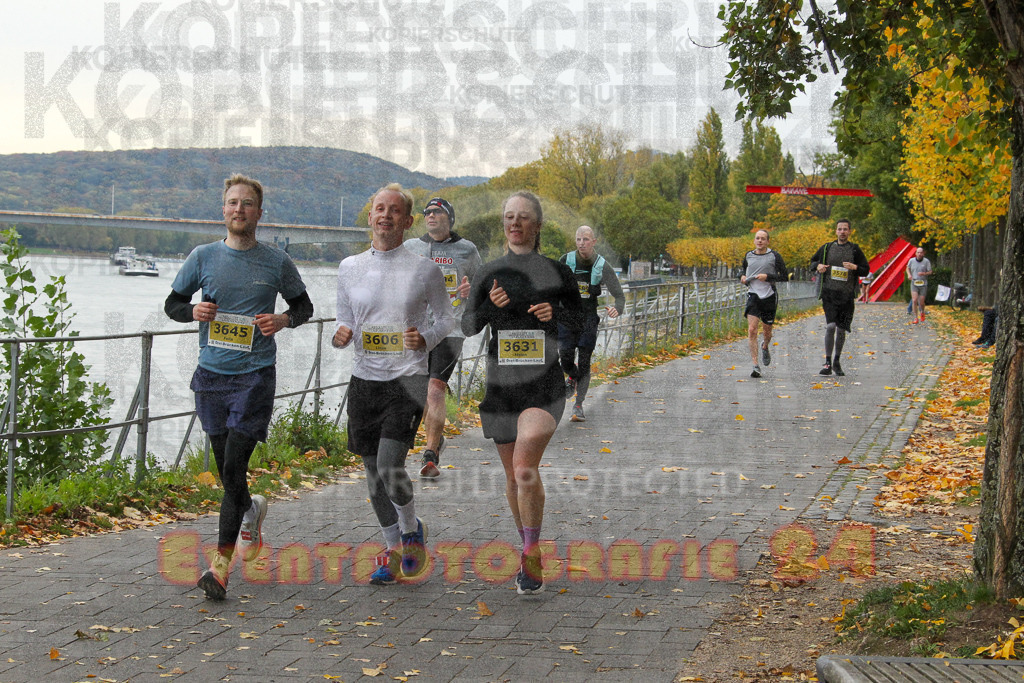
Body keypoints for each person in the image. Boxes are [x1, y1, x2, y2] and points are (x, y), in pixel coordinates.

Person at [164, 174, 313, 600]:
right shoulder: (203, 256)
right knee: (227, 472)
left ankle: (220, 567)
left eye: (247, 204)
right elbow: (172, 304)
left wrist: (283, 320)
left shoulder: (276, 261)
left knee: (233, 469)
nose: (239, 210)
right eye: (232, 203)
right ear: (223, 210)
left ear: (259, 213)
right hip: (211, 376)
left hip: (255, 376)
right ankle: (251, 510)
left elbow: (303, 306)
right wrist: (194, 310)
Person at [462, 191, 582, 595]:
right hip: (501, 387)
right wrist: (487, 308)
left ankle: (530, 552)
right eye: (509, 217)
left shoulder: (557, 271)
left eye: (524, 217)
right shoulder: (489, 272)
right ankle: (529, 550)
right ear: (504, 223)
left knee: (524, 464)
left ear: (537, 225)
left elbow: (582, 322)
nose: (515, 223)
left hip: (544, 385)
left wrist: (557, 314)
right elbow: (467, 326)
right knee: (514, 476)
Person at [333, 183, 454, 585]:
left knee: (389, 467)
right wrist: (342, 333)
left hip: (408, 380)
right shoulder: (349, 267)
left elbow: (446, 320)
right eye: (378, 208)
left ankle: (410, 527)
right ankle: (394, 546)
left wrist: (427, 339)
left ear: (407, 221)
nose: (385, 215)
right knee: (372, 474)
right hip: (365, 381)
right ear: (370, 217)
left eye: (394, 210)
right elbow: (345, 318)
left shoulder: (424, 269)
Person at [403, 198, 482, 478]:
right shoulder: (411, 247)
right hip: (417, 330)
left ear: (449, 217)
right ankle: (436, 438)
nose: (431, 216)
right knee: (420, 391)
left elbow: (481, 286)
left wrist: (470, 291)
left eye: (437, 212)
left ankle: (430, 454)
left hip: (451, 329)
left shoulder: (467, 249)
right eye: (427, 212)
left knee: (435, 388)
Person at [557, 225, 625, 422]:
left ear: (594, 242)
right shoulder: (566, 260)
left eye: (586, 239)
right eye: (578, 239)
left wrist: (616, 309)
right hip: (567, 317)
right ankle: (572, 375)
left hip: (588, 318)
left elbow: (619, 295)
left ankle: (578, 405)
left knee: (585, 360)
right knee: (566, 358)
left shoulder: (602, 265)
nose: (581, 243)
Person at [810, 219, 870, 376]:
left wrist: (855, 267)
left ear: (850, 231)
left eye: (845, 229)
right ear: (836, 231)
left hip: (847, 296)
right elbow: (812, 262)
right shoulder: (827, 248)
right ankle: (828, 362)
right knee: (830, 327)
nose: (842, 231)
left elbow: (866, 269)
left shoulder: (855, 250)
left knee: (841, 330)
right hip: (829, 293)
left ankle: (837, 361)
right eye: (839, 229)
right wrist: (818, 266)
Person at [739, 229, 788, 378]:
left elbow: (784, 276)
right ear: (754, 240)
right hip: (753, 295)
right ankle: (755, 365)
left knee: (767, 331)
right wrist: (741, 277)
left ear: (767, 241)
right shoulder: (748, 255)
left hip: (769, 296)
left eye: (763, 239)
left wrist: (768, 277)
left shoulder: (774, 256)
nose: (760, 241)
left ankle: (765, 345)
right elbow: (742, 271)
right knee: (752, 329)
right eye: (757, 238)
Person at [906, 247, 933, 323]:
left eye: (921, 252)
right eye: (918, 252)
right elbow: (907, 268)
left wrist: (924, 273)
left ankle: (922, 312)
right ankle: (915, 318)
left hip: (923, 283)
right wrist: (909, 275)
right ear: (916, 253)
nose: (920, 254)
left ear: (923, 253)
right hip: (914, 282)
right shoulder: (911, 260)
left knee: (921, 302)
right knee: (914, 300)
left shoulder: (926, 261)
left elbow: (930, 272)